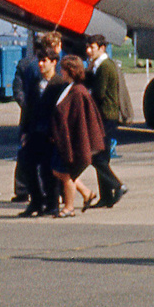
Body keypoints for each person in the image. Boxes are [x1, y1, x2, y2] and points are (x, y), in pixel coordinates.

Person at [48, 55, 106, 217]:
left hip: (71, 141)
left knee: (65, 174)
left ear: (70, 71)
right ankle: (86, 192)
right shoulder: (69, 88)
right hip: (63, 139)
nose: (61, 72)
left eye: (63, 69)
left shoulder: (78, 92)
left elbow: (78, 120)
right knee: (58, 171)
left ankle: (69, 207)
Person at [17, 41, 60, 216]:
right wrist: (25, 131)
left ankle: (52, 203)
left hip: (51, 135)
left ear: (54, 62)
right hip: (35, 132)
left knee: (49, 171)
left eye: (45, 60)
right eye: (39, 60)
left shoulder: (59, 84)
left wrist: (56, 134)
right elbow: (29, 108)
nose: (41, 64)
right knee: (27, 165)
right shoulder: (35, 83)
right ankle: (35, 201)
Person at [84, 35, 126, 208]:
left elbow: (99, 93)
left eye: (92, 47)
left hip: (105, 116)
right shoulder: (99, 66)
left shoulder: (104, 66)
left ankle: (117, 185)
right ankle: (106, 196)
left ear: (102, 47)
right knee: (102, 157)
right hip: (106, 115)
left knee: (97, 157)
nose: (88, 51)